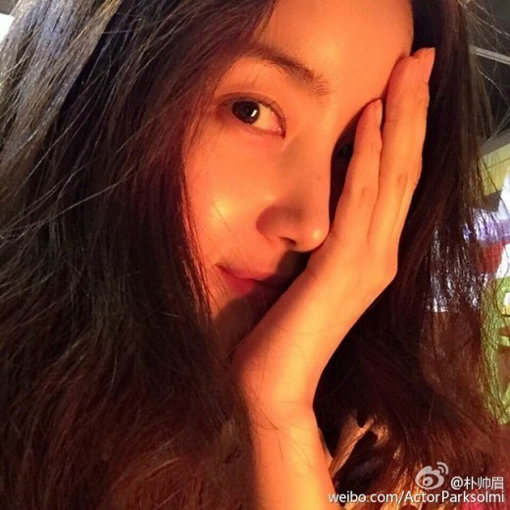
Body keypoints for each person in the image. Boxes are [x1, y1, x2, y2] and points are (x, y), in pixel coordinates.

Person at [0, 0, 508, 508]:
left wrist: (277, 413)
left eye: (352, 153)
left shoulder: (382, 456)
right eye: (251, 111)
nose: (313, 226)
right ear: (94, 88)